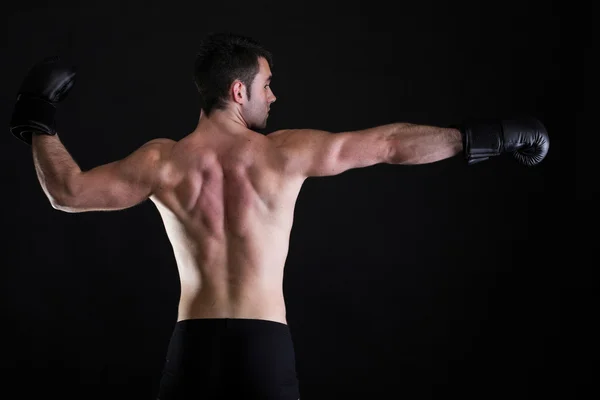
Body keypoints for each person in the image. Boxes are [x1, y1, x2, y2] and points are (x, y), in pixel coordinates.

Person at [9, 32, 549, 400]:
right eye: (267, 85)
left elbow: (69, 192)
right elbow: (388, 144)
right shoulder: (281, 154)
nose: (274, 95)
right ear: (237, 91)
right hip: (263, 348)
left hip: (192, 346)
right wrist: (490, 138)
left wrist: (37, 116)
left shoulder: (161, 161)